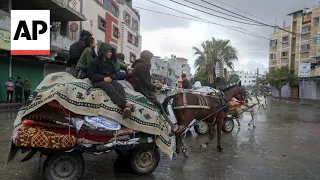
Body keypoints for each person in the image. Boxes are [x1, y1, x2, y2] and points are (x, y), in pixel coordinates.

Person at [131, 50, 181, 134]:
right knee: (159, 106)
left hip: (142, 89)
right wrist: (154, 86)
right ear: (146, 58)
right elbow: (145, 83)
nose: (150, 61)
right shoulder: (142, 66)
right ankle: (172, 126)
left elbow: (145, 80)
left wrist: (153, 84)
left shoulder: (139, 65)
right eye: (150, 59)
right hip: (143, 91)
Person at [87, 42, 134, 119]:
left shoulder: (109, 62)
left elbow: (113, 73)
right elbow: (90, 75)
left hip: (108, 79)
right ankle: (125, 105)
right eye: (109, 52)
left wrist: (111, 77)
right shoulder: (94, 62)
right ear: (104, 52)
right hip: (98, 81)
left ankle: (125, 108)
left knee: (119, 86)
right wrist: (103, 78)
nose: (111, 53)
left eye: (111, 52)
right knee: (109, 87)